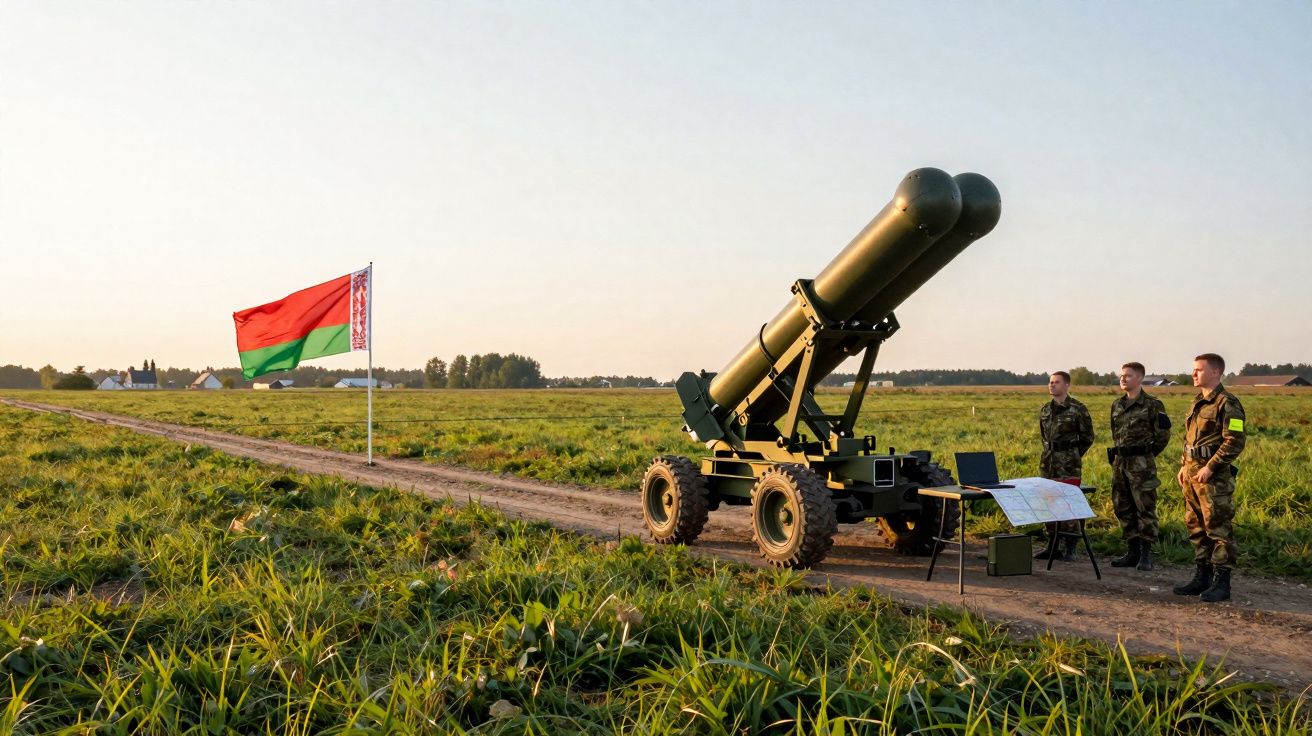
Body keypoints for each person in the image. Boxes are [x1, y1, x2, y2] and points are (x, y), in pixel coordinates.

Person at [1173, 353, 1246, 603]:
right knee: (1196, 527)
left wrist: (1211, 467)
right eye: (1194, 369)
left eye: (1199, 370)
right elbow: (1190, 439)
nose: (1194, 374)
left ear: (1215, 373)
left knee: (1218, 528)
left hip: (1213, 480)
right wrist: (1185, 466)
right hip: (1192, 476)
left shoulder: (1228, 403)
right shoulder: (1197, 402)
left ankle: (1222, 582)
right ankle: (1201, 577)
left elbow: (1235, 440)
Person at [1107, 362, 1171, 571]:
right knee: (1122, 506)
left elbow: (1163, 435)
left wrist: (1146, 456)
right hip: (1120, 464)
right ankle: (1132, 550)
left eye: (1128, 375)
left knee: (1145, 507)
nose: (1123, 379)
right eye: (1121, 375)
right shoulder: (1117, 405)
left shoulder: (1153, 405)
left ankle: (1146, 553)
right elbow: (1115, 432)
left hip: (1142, 465)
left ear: (1140, 378)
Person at [1035, 370, 1094, 561]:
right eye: (1050, 382)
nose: (1052, 385)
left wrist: (1072, 454)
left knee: (1067, 504)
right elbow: (1044, 436)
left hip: (1069, 465)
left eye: (1056, 382)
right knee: (1048, 503)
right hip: (1048, 463)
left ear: (1067, 385)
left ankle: (1070, 547)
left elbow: (1087, 437)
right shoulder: (1045, 409)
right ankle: (1053, 545)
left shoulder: (1078, 409)